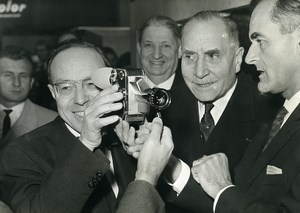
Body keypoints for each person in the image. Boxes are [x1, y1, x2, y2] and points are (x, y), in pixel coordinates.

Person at [127, 11, 283, 213]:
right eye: (190, 56)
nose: (199, 72)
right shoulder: (163, 107)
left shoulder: (273, 114)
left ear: (237, 60)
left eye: (213, 55)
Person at [0, 41, 140, 213]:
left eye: (91, 84)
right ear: (53, 93)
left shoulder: (129, 139)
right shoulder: (20, 153)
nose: (80, 99)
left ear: (112, 85)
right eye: (66, 87)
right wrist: (87, 142)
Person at [191, 0, 300, 212]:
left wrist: (223, 189)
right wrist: (164, 165)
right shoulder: (280, 114)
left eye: (260, 41)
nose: (250, 57)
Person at [0, 45, 57, 150]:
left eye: (23, 76)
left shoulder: (53, 122)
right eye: (8, 75)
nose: (16, 83)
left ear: (31, 82)